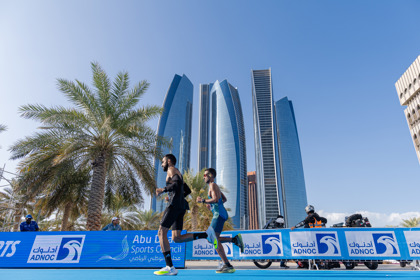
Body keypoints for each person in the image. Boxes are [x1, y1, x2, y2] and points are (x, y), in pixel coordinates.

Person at [154, 154, 224, 276]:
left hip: (175, 206)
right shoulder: (178, 173)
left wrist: (163, 190)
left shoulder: (172, 169)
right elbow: (187, 190)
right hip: (180, 206)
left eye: (163, 161)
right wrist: (175, 197)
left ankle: (169, 267)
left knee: (161, 232)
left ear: (169, 161)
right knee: (176, 238)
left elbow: (175, 185)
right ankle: (206, 234)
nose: (162, 164)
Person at [196, 168, 244, 273]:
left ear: (211, 175)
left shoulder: (213, 185)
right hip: (220, 214)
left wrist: (203, 201)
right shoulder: (214, 186)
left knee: (213, 238)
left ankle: (227, 265)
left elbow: (216, 199)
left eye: (205, 175)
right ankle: (234, 240)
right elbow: (223, 199)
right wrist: (212, 206)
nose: (203, 177)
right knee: (211, 238)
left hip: (218, 215)